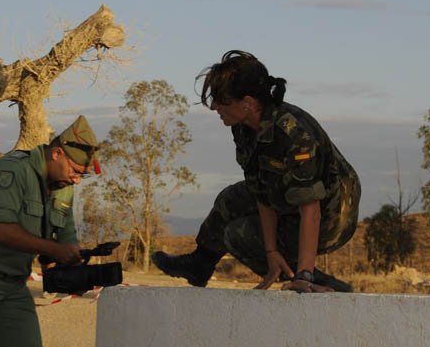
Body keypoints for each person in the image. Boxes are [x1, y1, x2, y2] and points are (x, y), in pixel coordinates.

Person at [153, 50, 361, 293]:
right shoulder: (244, 127)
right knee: (230, 200)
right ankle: (199, 265)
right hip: (291, 199)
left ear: (248, 103)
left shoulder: (294, 135)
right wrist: (271, 252)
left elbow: (311, 210)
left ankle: (309, 277)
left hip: (331, 217)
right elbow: (262, 190)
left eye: (221, 100)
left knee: (238, 235)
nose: (214, 107)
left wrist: (304, 275)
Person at [0, 115, 101, 347]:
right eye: (75, 171)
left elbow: (66, 239)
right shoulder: (11, 170)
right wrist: (53, 250)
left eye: (82, 175)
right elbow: (0, 230)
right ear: (57, 154)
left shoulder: (63, 188)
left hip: (13, 282)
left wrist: (76, 265)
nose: (77, 181)